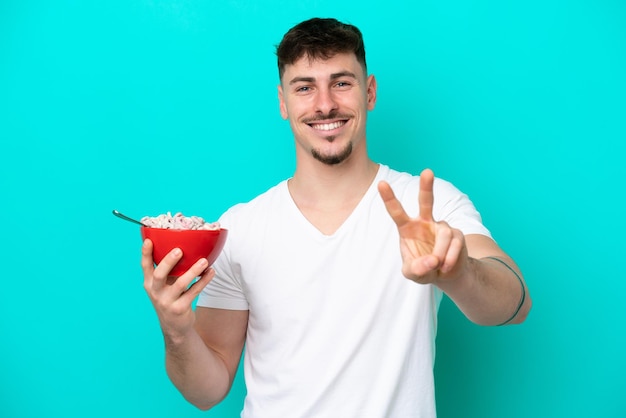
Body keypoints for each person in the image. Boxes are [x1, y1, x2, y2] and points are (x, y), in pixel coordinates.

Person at [141, 17, 531, 418]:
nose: (324, 104)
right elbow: (207, 390)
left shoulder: (428, 204)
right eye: (305, 87)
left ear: (370, 91)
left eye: (342, 82)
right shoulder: (240, 228)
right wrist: (177, 329)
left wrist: (458, 272)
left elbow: (516, 304)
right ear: (282, 102)